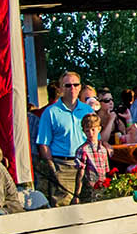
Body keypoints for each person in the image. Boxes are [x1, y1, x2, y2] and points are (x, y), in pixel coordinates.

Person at [33, 71, 93, 207]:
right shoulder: (50, 112)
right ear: (60, 89)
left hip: (86, 165)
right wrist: (53, 168)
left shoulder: (88, 110)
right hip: (63, 166)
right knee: (63, 207)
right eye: (67, 85)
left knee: (89, 205)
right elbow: (43, 144)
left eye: (75, 85)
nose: (72, 88)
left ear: (80, 87)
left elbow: (96, 139)